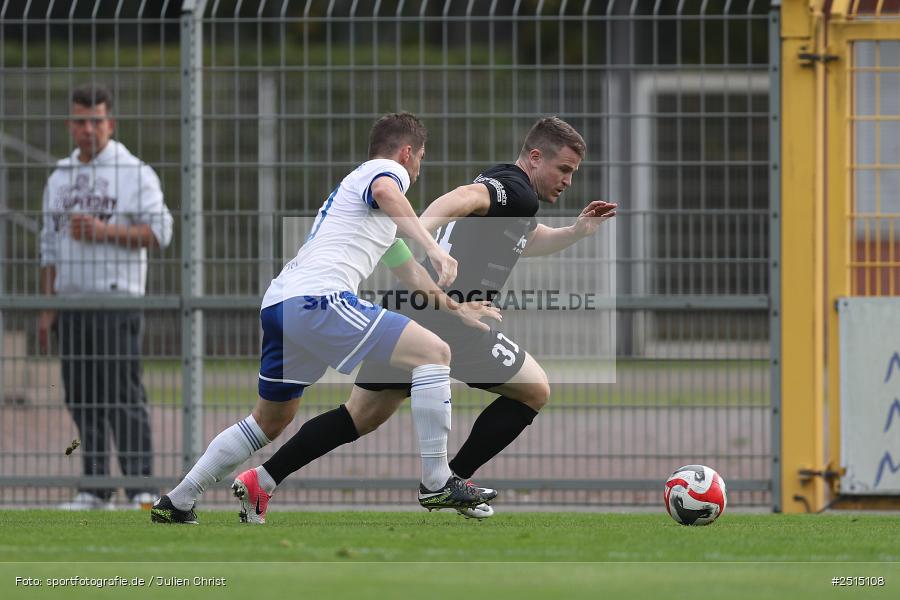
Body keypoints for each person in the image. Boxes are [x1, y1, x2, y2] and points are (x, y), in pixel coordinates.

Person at [232, 116, 617, 522]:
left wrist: (575, 231)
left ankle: (264, 478)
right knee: (535, 389)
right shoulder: (517, 189)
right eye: (564, 169)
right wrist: (424, 237)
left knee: (359, 416)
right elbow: (462, 198)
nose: (568, 181)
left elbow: (526, 238)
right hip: (451, 321)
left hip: (412, 308)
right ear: (536, 157)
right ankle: (451, 482)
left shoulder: (512, 192)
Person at [151, 112, 497, 525]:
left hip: (281, 303)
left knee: (270, 419)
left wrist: (457, 307)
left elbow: (411, 274)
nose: (418, 170)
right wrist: (434, 245)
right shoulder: (385, 171)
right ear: (407, 152)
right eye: (420, 158)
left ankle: (179, 499)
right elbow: (389, 189)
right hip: (317, 299)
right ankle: (438, 481)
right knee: (434, 352)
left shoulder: (363, 208)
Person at [39, 84, 174, 510]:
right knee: (81, 396)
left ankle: (140, 488)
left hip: (117, 300)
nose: (88, 129)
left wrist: (105, 232)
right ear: (70, 125)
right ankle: (94, 488)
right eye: (80, 121)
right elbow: (48, 247)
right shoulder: (59, 176)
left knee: (122, 395)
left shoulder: (135, 172)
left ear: (110, 124)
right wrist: (47, 306)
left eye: (96, 120)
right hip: (70, 303)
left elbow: (161, 232)